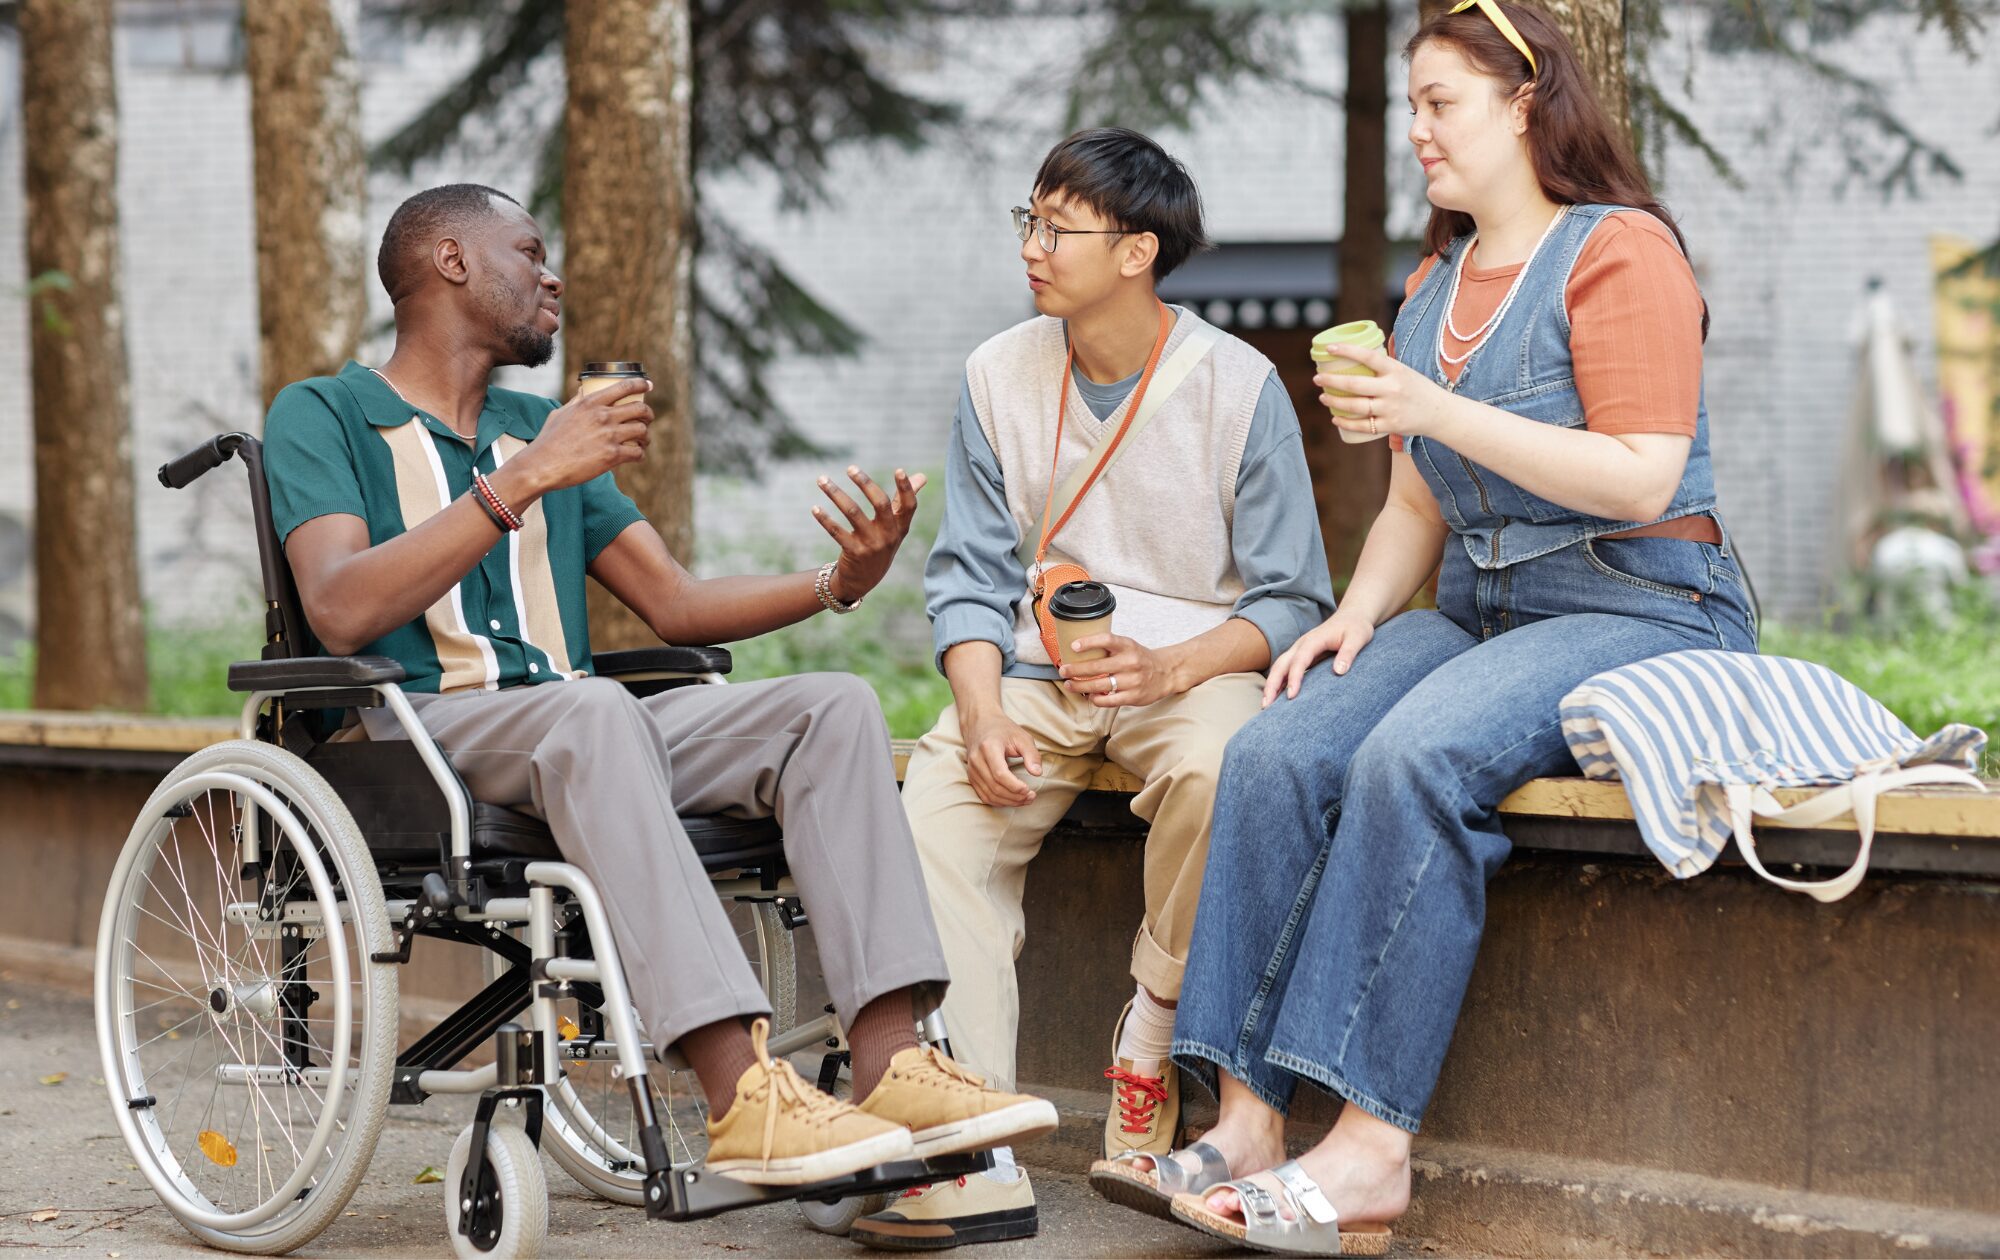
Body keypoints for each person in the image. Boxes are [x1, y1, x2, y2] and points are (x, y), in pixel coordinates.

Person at [1097, 4, 1758, 1252]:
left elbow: (1638, 477)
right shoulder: (1432, 287)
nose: (1416, 133)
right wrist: (1346, 619)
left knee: (1414, 760)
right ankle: (1244, 1124)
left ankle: (1367, 1154)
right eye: (1409, 108)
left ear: (1523, 103)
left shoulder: (1619, 253)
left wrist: (1430, 409)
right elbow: (1414, 498)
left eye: (1440, 105)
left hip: (1645, 601)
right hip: (1479, 609)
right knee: (1279, 745)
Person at [262, 183, 1056, 1191]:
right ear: (449, 262)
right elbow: (336, 606)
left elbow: (673, 603)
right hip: (414, 738)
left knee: (829, 706)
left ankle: (892, 1062)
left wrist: (835, 584)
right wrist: (520, 481)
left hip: (579, 733)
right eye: (527, 250)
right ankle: (740, 1096)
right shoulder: (324, 414)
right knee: (593, 711)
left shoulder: (539, 426)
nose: (550, 277)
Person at [851, 130, 1334, 1250]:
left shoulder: (1236, 385)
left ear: (1136, 252)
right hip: (1034, 675)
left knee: (1226, 767)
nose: (1032, 245)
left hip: (1185, 671)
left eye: (1057, 227)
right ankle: (971, 1145)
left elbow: (1292, 599)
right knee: (932, 811)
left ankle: (1149, 1041)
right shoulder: (996, 373)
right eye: (1028, 219)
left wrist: (1170, 666)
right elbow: (968, 576)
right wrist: (976, 712)